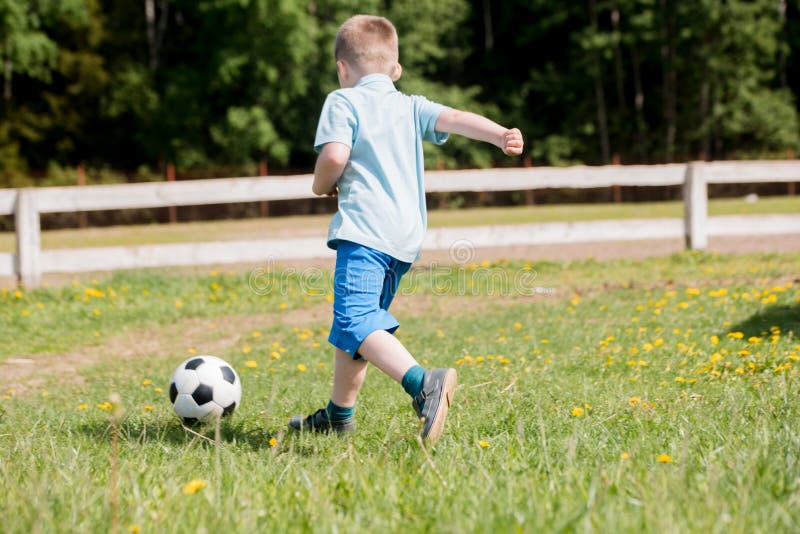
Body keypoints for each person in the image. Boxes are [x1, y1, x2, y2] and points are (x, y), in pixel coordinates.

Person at [289, 14, 523, 444]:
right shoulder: (410, 105)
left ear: (342, 68)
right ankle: (339, 416)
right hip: (404, 239)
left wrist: (320, 185)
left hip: (364, 233)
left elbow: (335, 158)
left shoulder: (342, 101)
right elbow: (454, 118)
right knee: (358, 330)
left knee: (355, 318)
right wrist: (499, 135)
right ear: (395, 69)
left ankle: (423, 383)